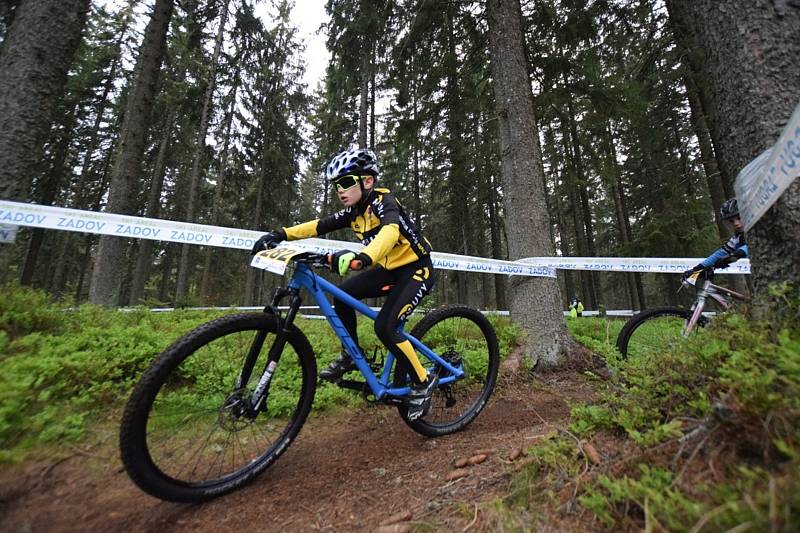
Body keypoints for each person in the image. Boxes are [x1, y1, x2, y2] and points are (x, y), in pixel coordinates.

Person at [251, 148, 438, 420]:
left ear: (368, 181)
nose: (340, 190)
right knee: (343, 295)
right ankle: (351, 356)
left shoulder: (384, 201)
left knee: (385, 327)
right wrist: (281, 234)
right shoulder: (354, 211)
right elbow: (318, 225)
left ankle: (423, 382)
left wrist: (363, 257)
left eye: (347, 182)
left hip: (416, 269)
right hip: (388, 270)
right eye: (337, 185)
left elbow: (390, 231)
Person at [682, 198, 749, 282]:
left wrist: (738, 253)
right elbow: (720, 253)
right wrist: (697, 269)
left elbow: (751, 247)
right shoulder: (737, 238)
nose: (736, 223)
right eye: (731, 221)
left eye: (739, 218)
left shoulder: (757, 226)